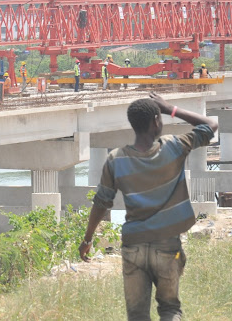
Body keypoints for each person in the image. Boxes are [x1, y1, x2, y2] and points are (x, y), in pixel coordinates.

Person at [79, 92, 218, 320]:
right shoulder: (175, 146)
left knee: (137, 314)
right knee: (170, 308)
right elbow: (211, 124)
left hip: (134, 245)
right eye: (160, 118)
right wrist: (169, 108)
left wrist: (88, 239)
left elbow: (102, 203)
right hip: (167, 245)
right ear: (156, 121)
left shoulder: (116, 159)